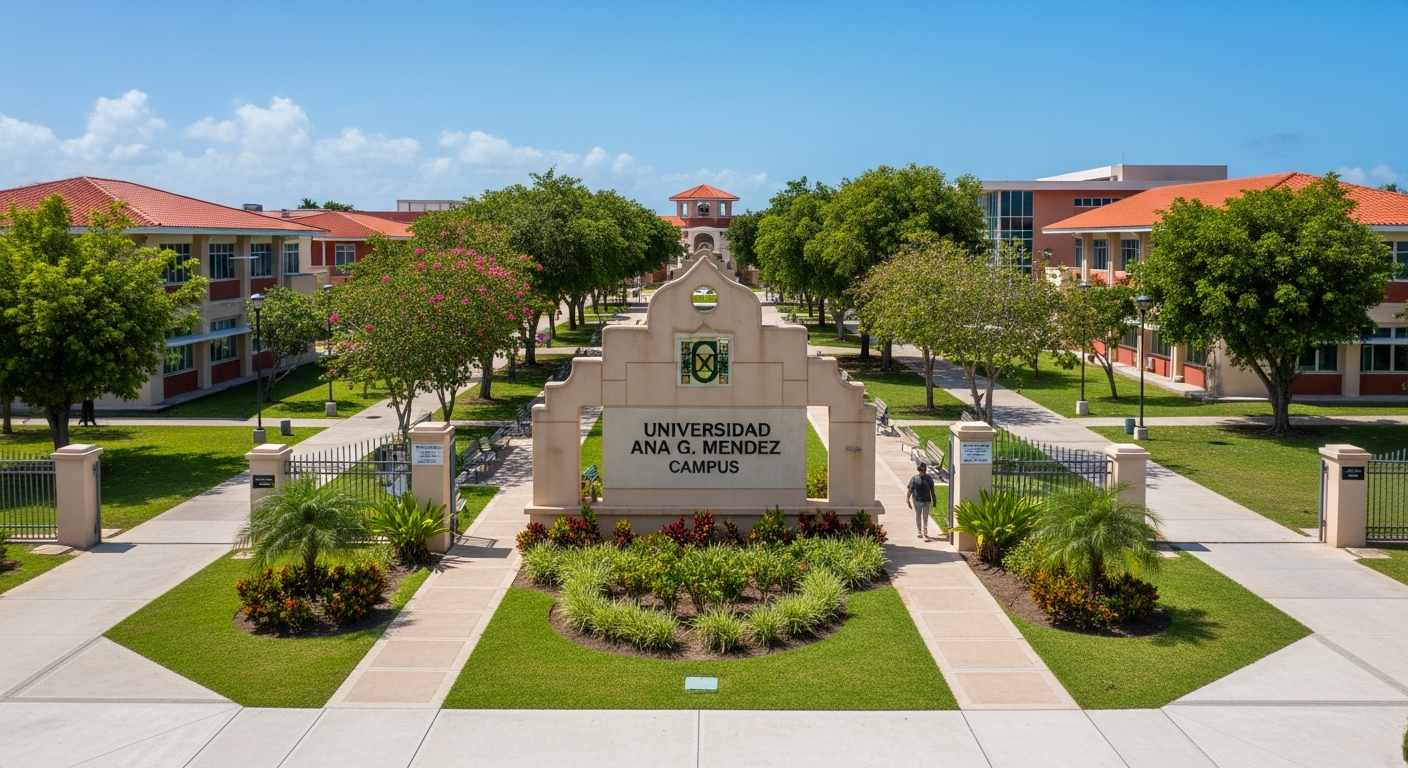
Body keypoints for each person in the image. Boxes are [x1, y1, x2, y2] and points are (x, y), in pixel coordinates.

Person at [906, 462, 936, 539]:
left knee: (925, 517)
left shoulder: (929, 478)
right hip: (917, 500)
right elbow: (910, 489)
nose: (922, 472)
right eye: (920, 470)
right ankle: (919, 531)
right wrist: (907, 499)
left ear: (925, 470)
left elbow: (932, 490)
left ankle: (925, 532)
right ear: (918, 470)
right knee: (918, 515)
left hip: (927, 500)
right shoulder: (915, 478)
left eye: (923, 470)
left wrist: (934, 500)